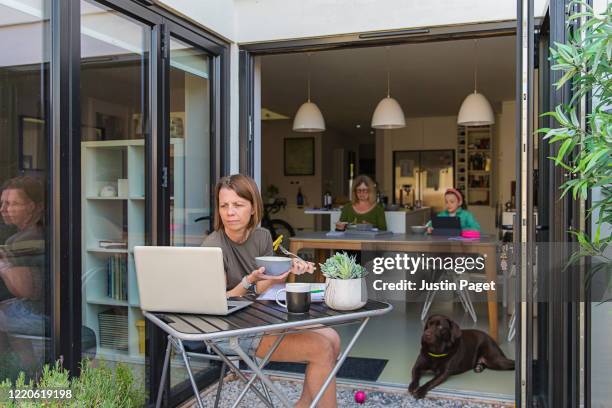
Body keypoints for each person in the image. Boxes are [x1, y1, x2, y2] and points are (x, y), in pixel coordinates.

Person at [202, 174, 341, 408]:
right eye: (224, 205)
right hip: (229, 329)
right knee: (321, 348)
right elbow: (217, 302)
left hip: (261, 317)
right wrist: (248, 281)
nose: (230, 212)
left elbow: (266, 289)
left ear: (254, 208)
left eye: (238, 205)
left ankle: (304, 405)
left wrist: (285, 270)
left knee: (333, 338)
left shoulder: (262, 236)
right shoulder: (213, 246)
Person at [0, 176, 47, 369]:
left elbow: (26, 291)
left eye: (12, 204)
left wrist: (3, 264)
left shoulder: (23, 241)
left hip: (37, 313)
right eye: (2, 203)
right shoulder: (27, 235)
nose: (3, 209)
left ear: (34, 206)